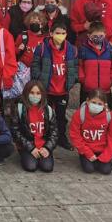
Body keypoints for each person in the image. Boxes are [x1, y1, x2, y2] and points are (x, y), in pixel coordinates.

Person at [31, 21, 78, 150]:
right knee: (46, 116)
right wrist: (39, 79)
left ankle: (61, 138)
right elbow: (34, 65)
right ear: (51, 33)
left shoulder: (71, 49)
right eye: (57, 33)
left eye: (63, 33)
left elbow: (75, 67)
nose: (60, 36)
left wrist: (73, 80)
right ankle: (46, 139)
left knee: (61, 117)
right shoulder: (42, 48)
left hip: (63, 90)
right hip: (47, 90)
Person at [11, 81, 58, 173]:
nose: (35, 96)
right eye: (32, 93)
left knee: (47, 168)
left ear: (42, 95)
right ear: (26, 93)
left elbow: (54, 132)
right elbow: (15, 131)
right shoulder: (19, 108)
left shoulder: (48, 110)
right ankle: (23, 154)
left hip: (43, 145)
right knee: (31, 167)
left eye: (38, 93)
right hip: (28, 145)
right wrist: (31, 148)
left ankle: (42, 155)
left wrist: (47, 148)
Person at [69, 89, 112, 175]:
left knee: (106, 170)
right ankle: (88, 159)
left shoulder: (110, 116)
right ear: (87, 101)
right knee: (89, 169)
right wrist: (88, 153)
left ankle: (102, 160)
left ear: (104, 105)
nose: (96, 106)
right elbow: (75, 135)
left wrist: (106, 155)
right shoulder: (79, 114)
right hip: (86, 148)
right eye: (93, 102)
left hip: (103, 150)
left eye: (100, 104)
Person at [78, 21, 112, 108]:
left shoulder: (111, 50)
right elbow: (79, 66)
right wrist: (83, 80)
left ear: (105, 34)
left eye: (100, 36)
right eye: (95, 36)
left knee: (106, 114)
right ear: (89, 35)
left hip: (105, 90)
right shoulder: (83, 49)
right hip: (87, 90)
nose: (98, 38)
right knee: (85, 112)